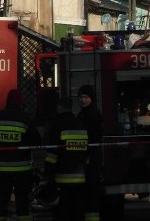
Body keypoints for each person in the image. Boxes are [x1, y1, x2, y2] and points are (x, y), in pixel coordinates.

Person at [0, 88, 43, 221]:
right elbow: (37, 140)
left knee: (0, 203)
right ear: (20, 102)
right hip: (22, 170)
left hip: (2, 169)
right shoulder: (25, 118)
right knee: (22, 204)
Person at [43, 96, 88, 221]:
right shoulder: (80, 124)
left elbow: (52, 154)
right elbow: (86, 152)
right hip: (80, 179)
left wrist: (48, 173)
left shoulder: (57, 126)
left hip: (62, 179)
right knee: (78, 212)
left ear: (60, 107)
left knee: (62, 213)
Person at [76, 85, 103, 221]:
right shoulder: (84, 113)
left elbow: (93, 139)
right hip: (87, 158)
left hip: (91, 159)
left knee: (91, 192)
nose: (83, 100)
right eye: (81, 97)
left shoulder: (92, 115)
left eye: (86, 97)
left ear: (91, 99)